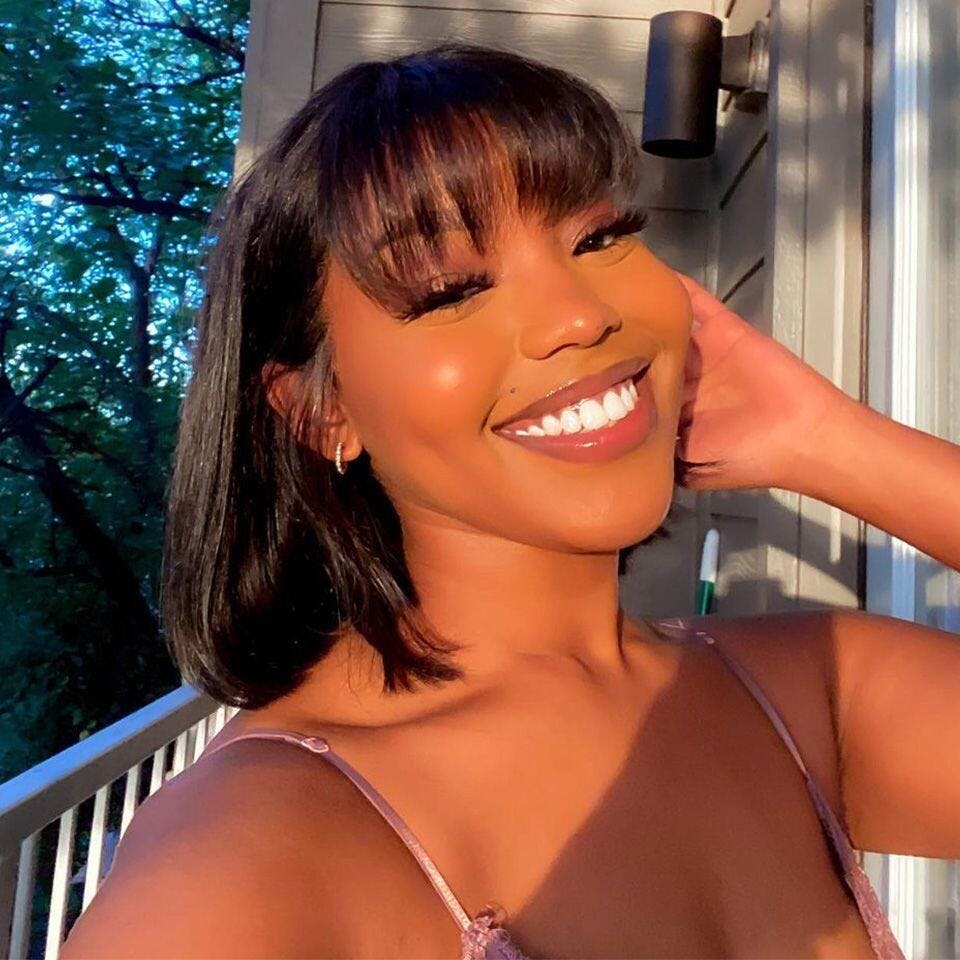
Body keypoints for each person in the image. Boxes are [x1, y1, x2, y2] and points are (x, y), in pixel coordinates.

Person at [62, 44, 959, 960]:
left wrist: (829, 441)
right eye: (452, 291)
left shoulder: (805, 696)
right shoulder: (252, 851)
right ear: (323, 411)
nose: (579, 315)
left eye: (598, 237)